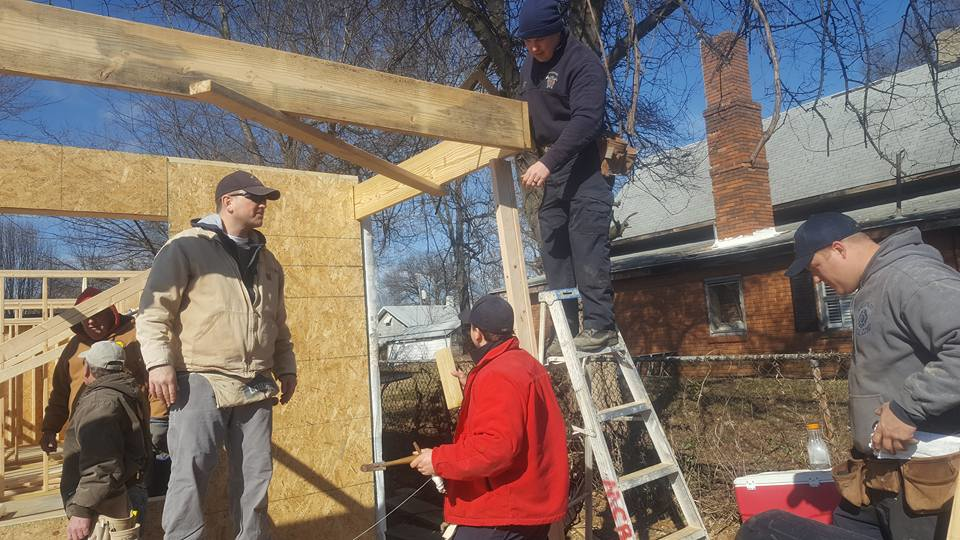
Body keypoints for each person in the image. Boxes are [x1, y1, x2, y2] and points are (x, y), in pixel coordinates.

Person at [739, 212, 960, 539]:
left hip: (922, 479)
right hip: (878, 476)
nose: (816, 280)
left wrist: (907, 409)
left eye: (816, 267)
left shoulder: (909, 276)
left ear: (840, 249)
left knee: (763, 530)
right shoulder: (875, 284)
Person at [137, 170, 297, 539]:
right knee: (190, 473)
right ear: (228, 202)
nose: (262, 205)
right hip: (200, 376)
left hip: (256, 381)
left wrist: (286, 367)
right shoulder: (186, 247)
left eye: (265, 199)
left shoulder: (269, 261)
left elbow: (278, 323)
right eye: (254, 198)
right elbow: (154, 309)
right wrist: (159, 362)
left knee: (256, 477)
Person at [410, 294, 569, 540]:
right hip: (531, 500)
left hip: (503, 509)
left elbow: (494, 448)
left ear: (478, 333)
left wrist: (438, 459)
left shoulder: (497, 374)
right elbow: (518, 415)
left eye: (471, 328)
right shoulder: (525, 362)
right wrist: (472, 389)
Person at [516, 0, 617, 353]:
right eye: (526, 41)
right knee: (554, 246)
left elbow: (586, 121)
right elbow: (526, 116)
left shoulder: (583, 64)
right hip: (554, 172)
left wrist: (548, 162)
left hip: (586, 167)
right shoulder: (529, 65)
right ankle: (566, 330)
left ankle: (600, 327)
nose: (533, 47)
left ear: (557, 31)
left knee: (587, 245)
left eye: (539, 39)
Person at [40, 286, 167, 518]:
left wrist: (158, 421)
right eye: (86, 318)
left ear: (112, 313)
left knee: (128, 492)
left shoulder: (135, 338)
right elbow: (60, 392)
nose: (92, 322)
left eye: (98, 315)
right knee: (83, 487)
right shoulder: (74, 347)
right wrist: (50, 428)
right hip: (86, 434)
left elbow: (155, 379)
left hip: (129, 432)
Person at [60, 340, 150, 540]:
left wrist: (82, 510)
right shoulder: (127, 392)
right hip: (122, 493)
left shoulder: (100, 403)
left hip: (105, 504)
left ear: (87, 370)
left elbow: (101, 465)